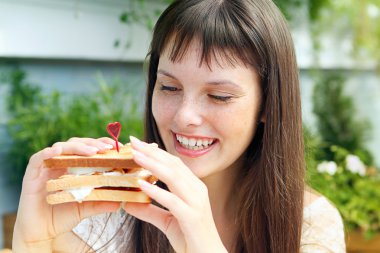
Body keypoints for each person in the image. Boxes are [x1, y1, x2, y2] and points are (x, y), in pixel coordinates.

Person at [13, 0, 346, 252]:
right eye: (169, 87)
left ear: (268, 104)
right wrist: (35, 239)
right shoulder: (104, 213)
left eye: (218, 96)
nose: (185, 115)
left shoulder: (311, 227)